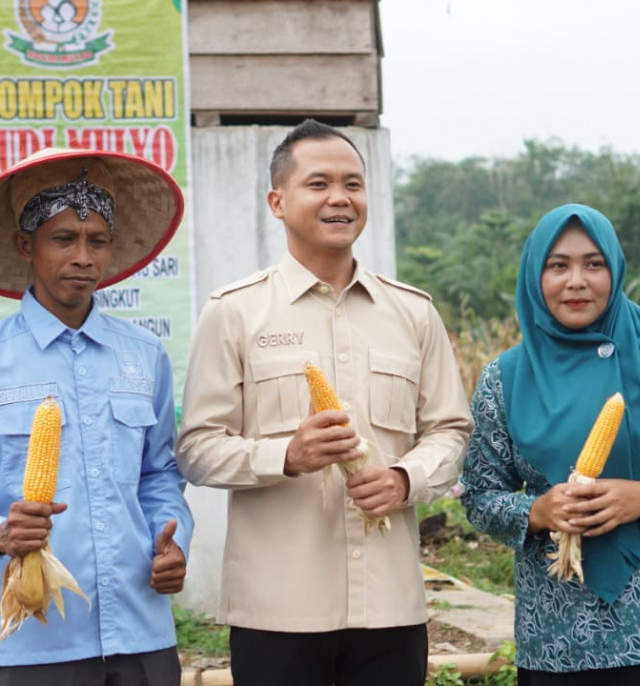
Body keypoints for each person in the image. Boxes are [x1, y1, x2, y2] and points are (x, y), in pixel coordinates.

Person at [176, 119, 474, 685]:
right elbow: (196, 449)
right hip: (277, 610)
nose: (340, 197)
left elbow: (450, 431)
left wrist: (405, 479)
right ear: (278, 201)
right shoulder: (233, 313)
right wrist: (286, 455)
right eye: (318, 184)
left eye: (353, 184)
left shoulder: (413, 313)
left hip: (390, 607)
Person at [0, 148, 194, 685]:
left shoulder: (145, 356)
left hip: (142, 634)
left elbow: (159, 476)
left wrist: (172, 539)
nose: (83, 257)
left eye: (98, 241)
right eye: (63, 239)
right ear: (26, 246)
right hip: (36, 641)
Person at [461, 203, 640, 685]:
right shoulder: (504, 379)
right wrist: (538, 511)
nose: (576, 280)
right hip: (560, 637)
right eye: (558, 266)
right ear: (535, 275)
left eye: (593, 264)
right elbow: (478, 495)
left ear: (614, 269)